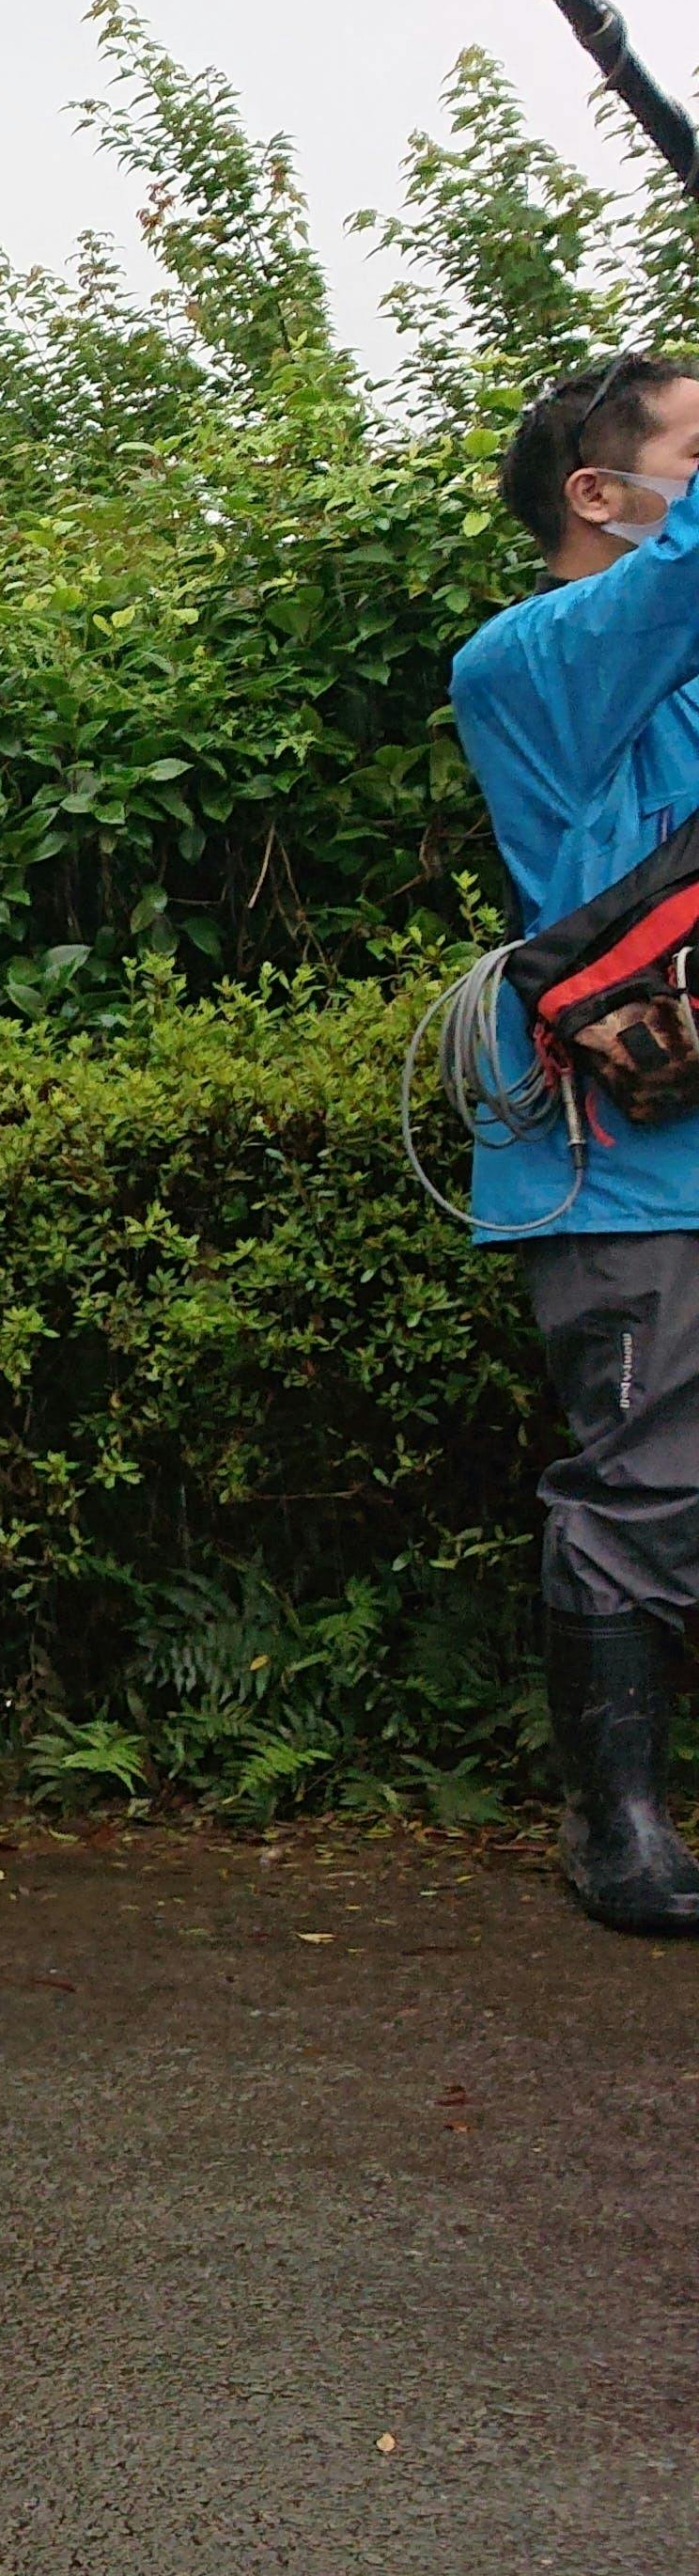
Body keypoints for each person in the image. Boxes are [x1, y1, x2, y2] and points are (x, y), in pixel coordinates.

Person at [456, 354, 699, 1933]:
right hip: (630, 1163)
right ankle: (615, 1825)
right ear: (597, 499)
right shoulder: (536, 659)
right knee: (652, 1481)